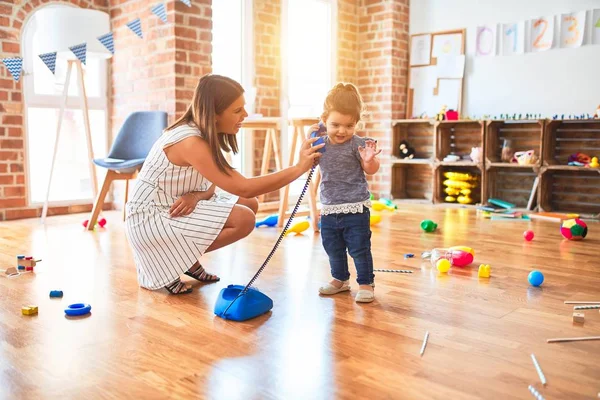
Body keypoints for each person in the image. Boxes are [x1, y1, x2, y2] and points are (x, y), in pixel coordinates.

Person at [125, 74, 324, 295]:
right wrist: (299, 168)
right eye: (237, 110)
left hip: (171, 207)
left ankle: (186, 258)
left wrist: (197, 196)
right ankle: (169, 260)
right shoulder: (190, 142)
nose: (245, 115)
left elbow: (214, 181)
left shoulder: (203, 133)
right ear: (214, 114)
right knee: (244, 219)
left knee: (250, 204)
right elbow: (243, 186)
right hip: (150, 220)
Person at [310, 83, 381, 303]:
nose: (342, 131)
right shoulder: (320, 144)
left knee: (359, 247)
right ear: (324, 119)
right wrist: (313, 132)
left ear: (357, 123)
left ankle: (366, 283)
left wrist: (369, 161)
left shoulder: (358, 144)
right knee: (332, 245)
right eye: (335, 124)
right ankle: (340, 279)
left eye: (349, 125)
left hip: (355, 206)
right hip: (330, 206)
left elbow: (371, 169)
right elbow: (308, 149)